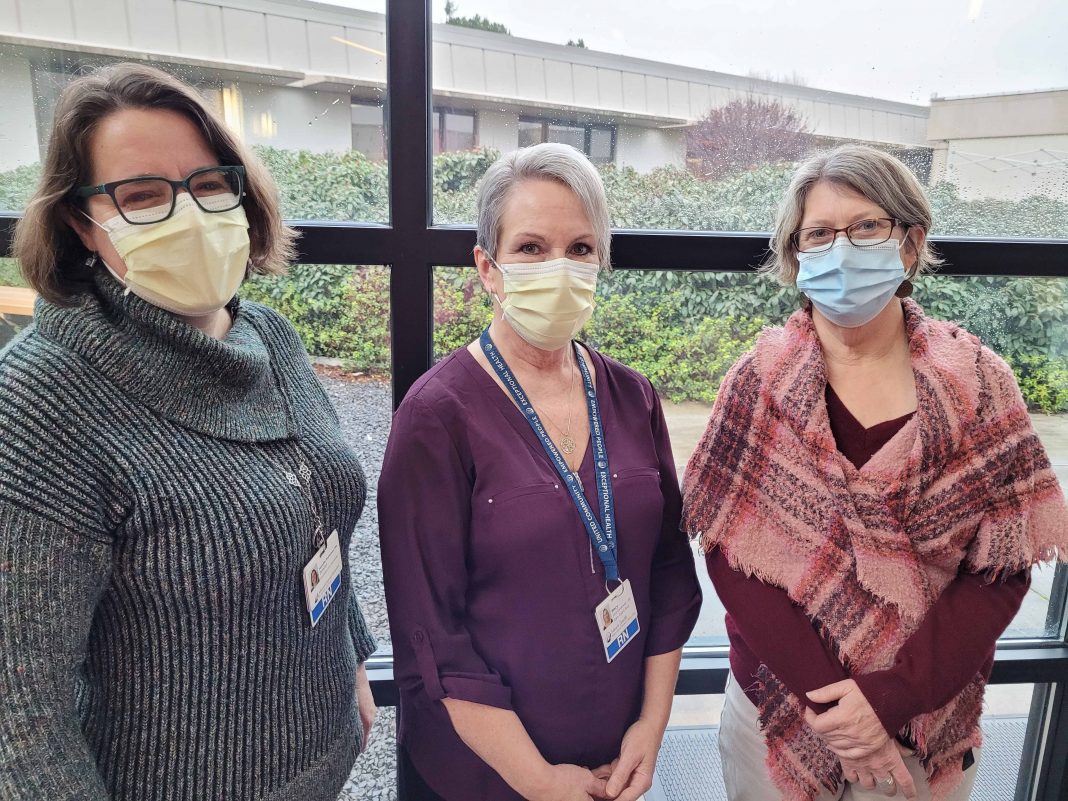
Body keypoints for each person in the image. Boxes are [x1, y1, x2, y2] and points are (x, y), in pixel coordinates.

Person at [0, 63, 377, 800]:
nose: (190, 214)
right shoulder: (41, 403)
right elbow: (20, 715)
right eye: (141, 196)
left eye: (209, 184)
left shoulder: (272, 338)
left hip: (323, 760)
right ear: (81, 222)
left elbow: (317, 509)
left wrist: (354, 656)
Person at [682, 144, 1068, 801]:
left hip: (924, 722)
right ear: (796, 255)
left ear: (910, 244)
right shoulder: (756, 384)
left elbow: (1000, 567)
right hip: (776, 716)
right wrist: (840, 713)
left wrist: (889, 697)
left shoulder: (979, 384)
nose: (841, 249)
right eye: (819, 234)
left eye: (866, 227)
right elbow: (729, 554)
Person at [379, 142, 702, 801]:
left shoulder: (631, 396)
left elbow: (668, 574)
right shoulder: (437, 415)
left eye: (581, 248)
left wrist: (651, 723)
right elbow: (431, 631)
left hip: (616, 760)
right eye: (530, 247)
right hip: (483, 774)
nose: (559, 267)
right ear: (487, 268)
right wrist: (535, 779)